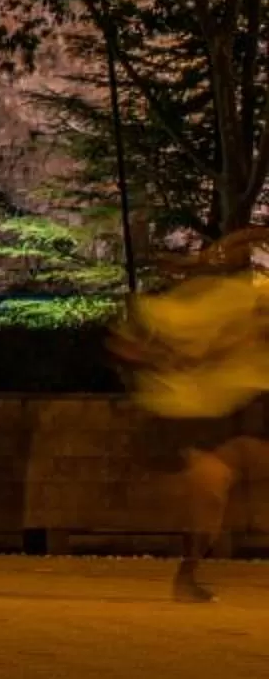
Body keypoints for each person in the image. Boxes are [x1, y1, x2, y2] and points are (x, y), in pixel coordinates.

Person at [111, 227, 269, 601]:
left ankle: (189, 573)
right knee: (211, 486)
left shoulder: (243, 300)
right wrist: (168, 361)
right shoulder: (182, 308)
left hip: (226, 411)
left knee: (220, 483)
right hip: (183, 416)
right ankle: (187, 574)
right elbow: (126, 347)